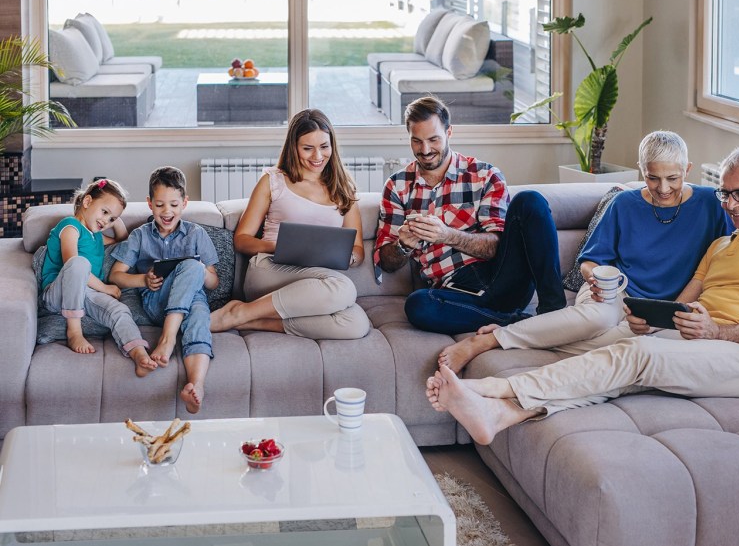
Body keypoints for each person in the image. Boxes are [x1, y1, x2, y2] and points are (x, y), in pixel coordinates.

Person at [427, 146, 739, 445]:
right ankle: (501, 416)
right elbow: (679, 307)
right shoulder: (722, 245)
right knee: (606, 342)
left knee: (638, 355)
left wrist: (717, 333)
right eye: (726, 195)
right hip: (702, 343)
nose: (731, 205)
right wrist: (649, 320)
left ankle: (489, 392)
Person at [438, 130, 733, 371]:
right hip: (618, 293)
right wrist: (598, 279)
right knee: (599, 319)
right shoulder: (624, 204)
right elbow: (590, 261)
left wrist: (671, 313)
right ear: (642, 170)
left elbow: (726, 258)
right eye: (653, 178)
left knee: (631, 342)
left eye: (673, 178)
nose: (664, 188)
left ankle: (521, 328)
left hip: (661, 307)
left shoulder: (712, 205)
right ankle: (486, 341)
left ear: (688, 170)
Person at [374, 96, 566, 335]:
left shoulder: (485, 175)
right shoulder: (397, 186)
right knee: (418, 305)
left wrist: (447, 235)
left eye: (433, 140)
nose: (425, 150)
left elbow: (495, 246)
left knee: (530, 200)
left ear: (449, 133)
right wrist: (402, 245)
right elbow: (386, 262)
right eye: (417, 141)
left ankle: (555, 310)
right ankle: (516, 323)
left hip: (502, 276)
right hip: (455, 293)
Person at [210, 109, 370, 339]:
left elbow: (358, 250)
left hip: (315, 280)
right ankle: (239, 312)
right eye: (307, 148)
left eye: (324, 146)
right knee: (343, 288)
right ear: (294, 147)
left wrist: (349, 257)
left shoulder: (344, 189)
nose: (317, 156)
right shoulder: (273, 181)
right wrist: (281, 247)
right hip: (270, 269)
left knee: (355, 323)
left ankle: (247, 317)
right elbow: (242, 240)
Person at [109, 166, 219, 413]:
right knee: (192, 269)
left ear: (185, 203)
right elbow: (116, 275)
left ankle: (196, 386)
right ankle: (167, 339)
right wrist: (142, 281)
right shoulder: (140, 236)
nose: (167, 212)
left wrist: (200, 271)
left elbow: (214, 281)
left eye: (173, 205)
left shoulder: (196, 234)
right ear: (149, 204)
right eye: (159, 205)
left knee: (200, 312)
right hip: (156, 301)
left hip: (193, 302)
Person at [40, 178, 153, 373]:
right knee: (80, 263)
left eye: (111, 219)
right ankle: (74, 331)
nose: (106, 221)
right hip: (57, 292)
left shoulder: (96, 237)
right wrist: (105, 287)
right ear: (87, 202)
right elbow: (71, 263)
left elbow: (122, 238)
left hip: (87, 294)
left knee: (120, 310)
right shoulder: (70, 226)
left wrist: (115, 216)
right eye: (104, 212)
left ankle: (138, 352)